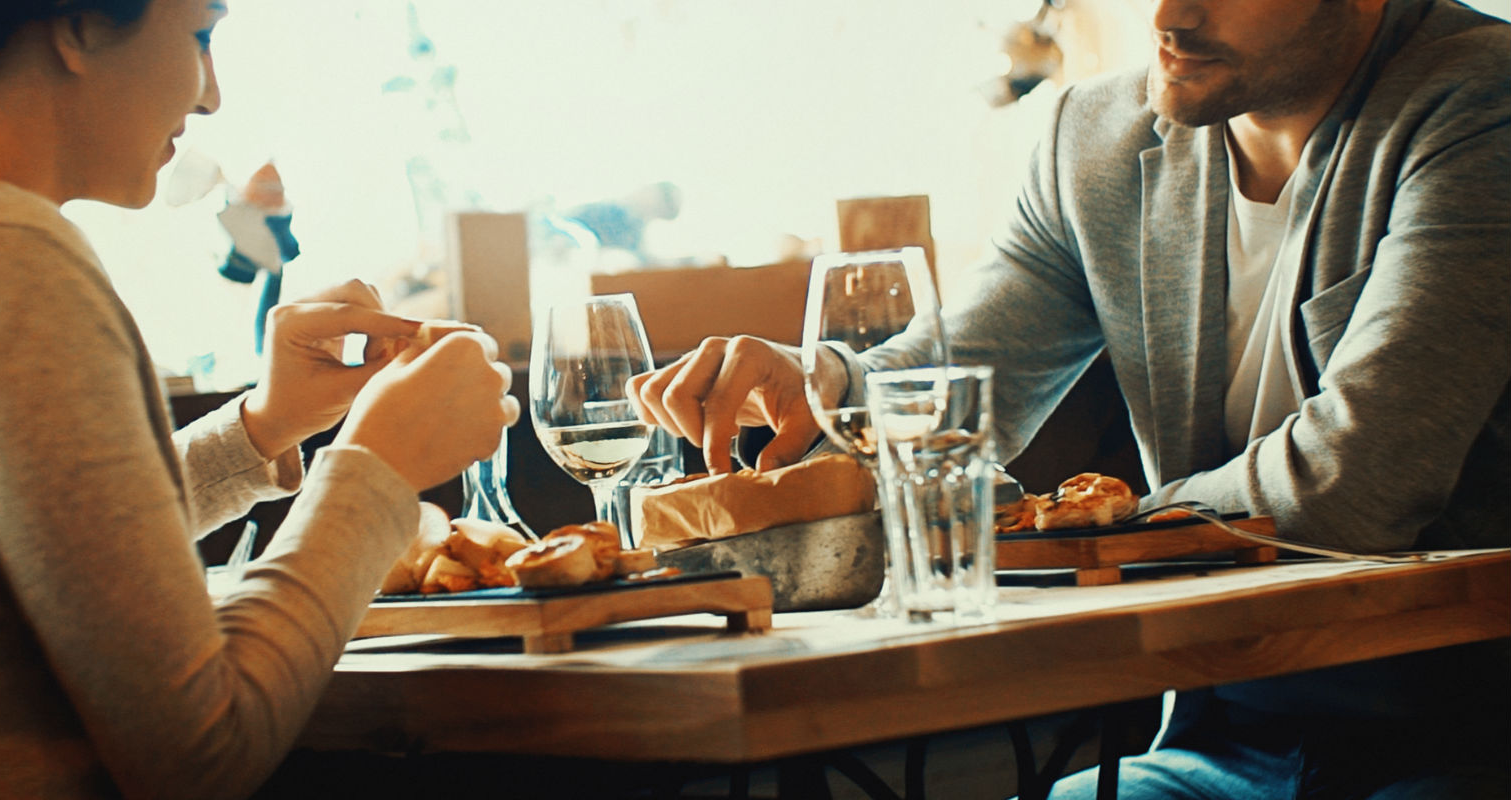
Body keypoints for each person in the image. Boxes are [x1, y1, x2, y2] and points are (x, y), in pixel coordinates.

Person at [628, 0, 1509, 797]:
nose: (1169, 14)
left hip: (1458, 731)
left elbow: (1355, 486)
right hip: (1217, 732)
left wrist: (1085, 525)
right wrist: (822, 383)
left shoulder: (1481, 98)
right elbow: (962, 382)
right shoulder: (1096, 135)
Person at [0, 1, 520, 798]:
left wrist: (260, 430)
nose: (210, 96)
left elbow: (48, 545)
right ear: (79, 25)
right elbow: (200, 751)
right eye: (201, 37)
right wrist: (378, 469)